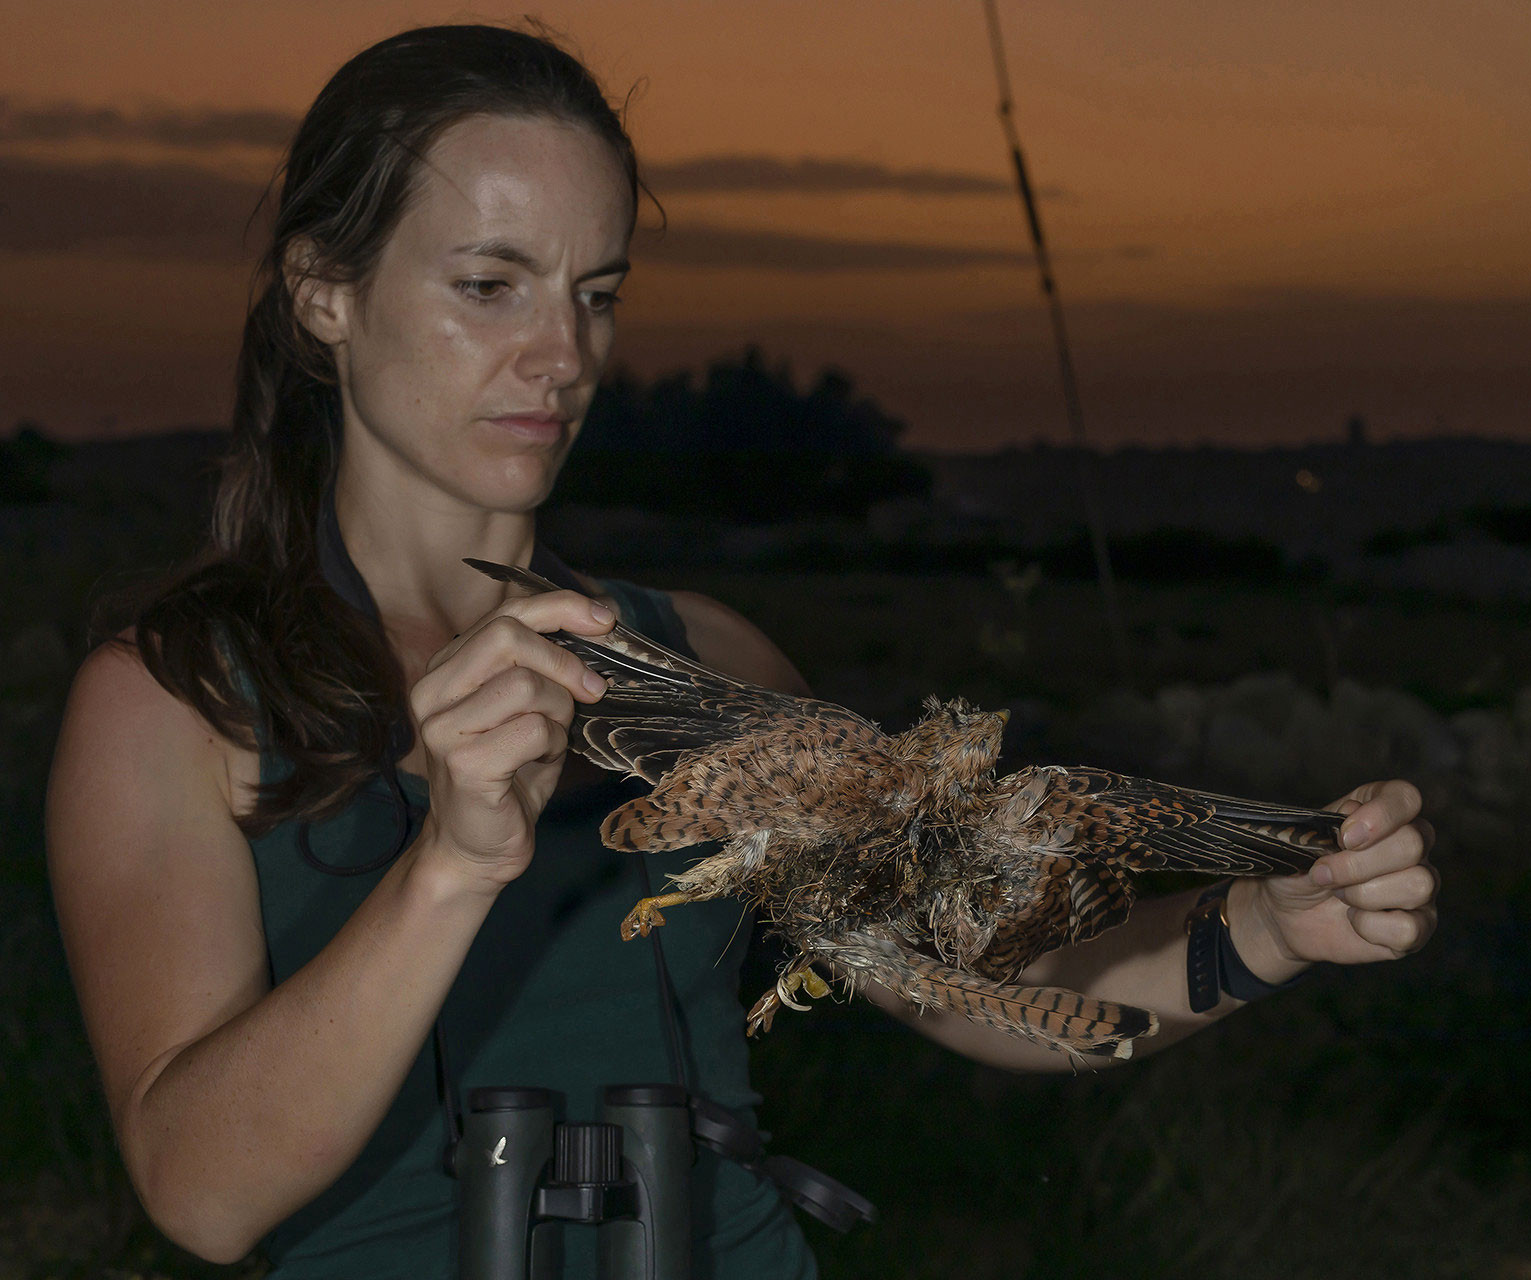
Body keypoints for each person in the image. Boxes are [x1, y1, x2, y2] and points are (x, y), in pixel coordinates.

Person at [44, 22, 1438, 1279]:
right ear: (322, 294)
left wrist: (1262, 931)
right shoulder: (175, 701)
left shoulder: (700, 660)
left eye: (596, 292)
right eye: (490, 285)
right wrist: (452, 867)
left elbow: (977, 988)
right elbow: (200, 1193)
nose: (561, 355)